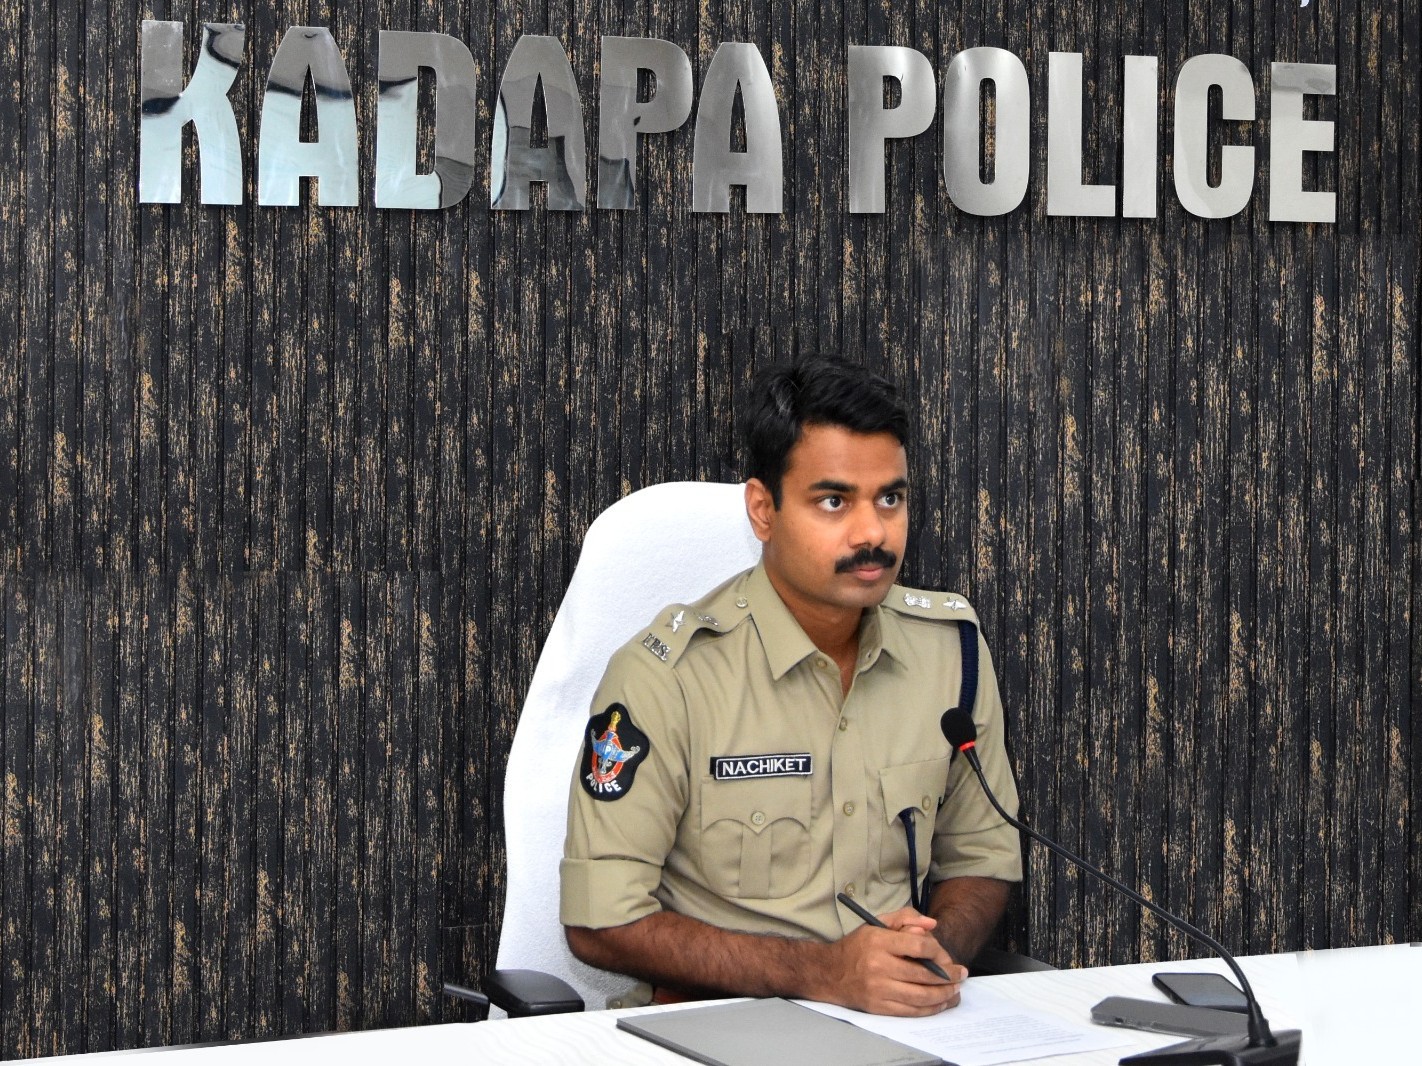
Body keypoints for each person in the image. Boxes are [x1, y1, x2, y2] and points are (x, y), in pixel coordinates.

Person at [560, 356, 1022, 1017]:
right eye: (834, 501)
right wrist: (826, 973)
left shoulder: (951, 651)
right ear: (763, 510)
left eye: (890, 498)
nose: (873, 532)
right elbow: (599, 922)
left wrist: (924, 960)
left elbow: (983, 856)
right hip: (719, 1026)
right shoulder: (667, 677)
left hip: (902, 1030)